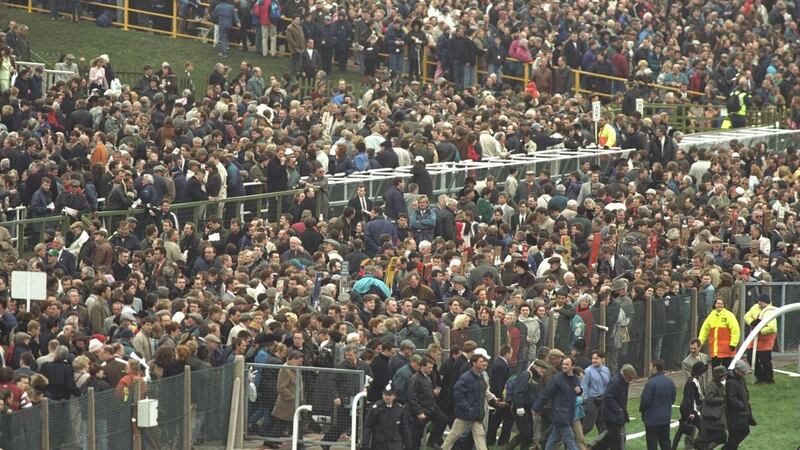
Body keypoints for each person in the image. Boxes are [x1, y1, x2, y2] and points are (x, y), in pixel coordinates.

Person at [441, 352, 501, 450]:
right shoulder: (465, 378)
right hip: (464, 415)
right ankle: (444, 448)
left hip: (476, 415)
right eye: (481, 361)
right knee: (454, 435)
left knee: (480, 436)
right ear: (474, 363)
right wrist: (468, 407)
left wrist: (493, 399)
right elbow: (458, 394)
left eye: (484, 361)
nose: (484, 363)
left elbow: (485, 391)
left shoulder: (481, 377)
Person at [532, 356, 582, 450]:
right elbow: (546, 393)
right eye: (563, 364)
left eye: (567, 364)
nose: (564, 366)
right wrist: (536, 408)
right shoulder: (557, 379)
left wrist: (580, 390)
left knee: (554, 438)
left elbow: (578, 391)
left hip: (570, 413)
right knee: (570, 437)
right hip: (560, 413)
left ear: (572, 366)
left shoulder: (575, 379)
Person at [591, 364, 636, 450]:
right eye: (629, 378)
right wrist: (618, 409)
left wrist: (623, 412)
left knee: (610, 437)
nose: (630, 380)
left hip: (618, 415)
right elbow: (607, 397)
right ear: (624, 375)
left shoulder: (624, 383)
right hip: (611, 415)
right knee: (616, 440)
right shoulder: (615, 382)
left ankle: (594, 448)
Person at [407, 356, 447, 450]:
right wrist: (419, 411)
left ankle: (433, 441)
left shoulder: (427, 377)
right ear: (422, 367)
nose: (431, 370)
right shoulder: (415, 379)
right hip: (422, 410)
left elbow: (427, 391)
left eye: (432, 367)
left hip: (431, 407)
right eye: (429, 367)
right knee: (417, 434)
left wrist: (433, 393)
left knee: (443, 420)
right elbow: (412, 397)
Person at [639, 360, 676, 450]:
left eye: (650, 367)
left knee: (652, 444)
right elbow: (673, 399)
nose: (649, 368)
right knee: (665, 443)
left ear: (655, 368)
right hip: (665, 418)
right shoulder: (670, 382)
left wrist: (642, 411)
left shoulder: (651, 383)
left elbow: (645, 401)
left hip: (652, 419)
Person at [363, 385, 412, 450]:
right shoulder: (376, 408)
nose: (387, 397)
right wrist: (365, 444)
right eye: (385, 394)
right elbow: (368, 426)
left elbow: (404, 428)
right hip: (380, 444)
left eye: (389, 395)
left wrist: (408, 444)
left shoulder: (400, 409)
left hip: (395, 445)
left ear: (394, 396)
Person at [672, 361, 707, 450]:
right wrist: (692, 412)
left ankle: (673, 448)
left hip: (687, 408)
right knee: (702, 430)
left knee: (681, 430)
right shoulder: (692, 382)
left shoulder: (693, 380)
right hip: (690, 410)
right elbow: (690, 398)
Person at [743, 293, 777, 384]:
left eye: (761, 302)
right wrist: (752, 322)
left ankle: (769, 379)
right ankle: (760, 376)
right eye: (758, 301)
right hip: (754, 338)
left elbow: (772, 328)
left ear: (766, 303)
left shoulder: (770, 311)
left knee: (765, 360)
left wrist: (760, 331)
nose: (759, 303)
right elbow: (746, 316)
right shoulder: (755, 307)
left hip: (766, 340)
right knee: (750, 357)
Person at [692, 365, 728, 450]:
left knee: (717, 436)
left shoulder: (719, 384)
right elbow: (709, 398)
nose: (725, 376)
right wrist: (723, 399)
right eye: (724, 375)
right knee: (721, 436)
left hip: (715, 416)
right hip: (712, 417)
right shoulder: (713, 385)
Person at [698, 298, 740, 368]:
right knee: (715, 368)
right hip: (715, 350)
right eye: (718, 303)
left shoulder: (729, 315)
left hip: (727, 349)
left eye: (721, 304)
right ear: (715, 305)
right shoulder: (711, 316)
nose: (719, 305)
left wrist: (734, 343)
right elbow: (704, 331)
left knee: (727, 368)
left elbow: (735, 330)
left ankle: (727, 379)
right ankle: (716, 379)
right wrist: (700, 343)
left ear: (724, 305)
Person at [724, 360, 755, 450]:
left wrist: (746, 398)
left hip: (742, 413)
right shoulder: (731, 382)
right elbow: (731, 399)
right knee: (736, 435)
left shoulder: (741, 379)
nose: (744, 375)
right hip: (734, 415)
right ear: (737, 370)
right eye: (743, 373)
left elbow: (745, 390)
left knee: (741, 433)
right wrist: (741, 404)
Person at [580, 350, 610, 435]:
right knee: (588, 425)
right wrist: (585, 401)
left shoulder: (606, 370)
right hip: (592, 400)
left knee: (603, 426)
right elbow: (584, 386)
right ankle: (575, 441)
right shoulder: (588, 371)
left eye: (596, 358)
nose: (594, 360)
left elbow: (608, 384)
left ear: (602, 359)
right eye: (592, 358)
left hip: (603, 400)